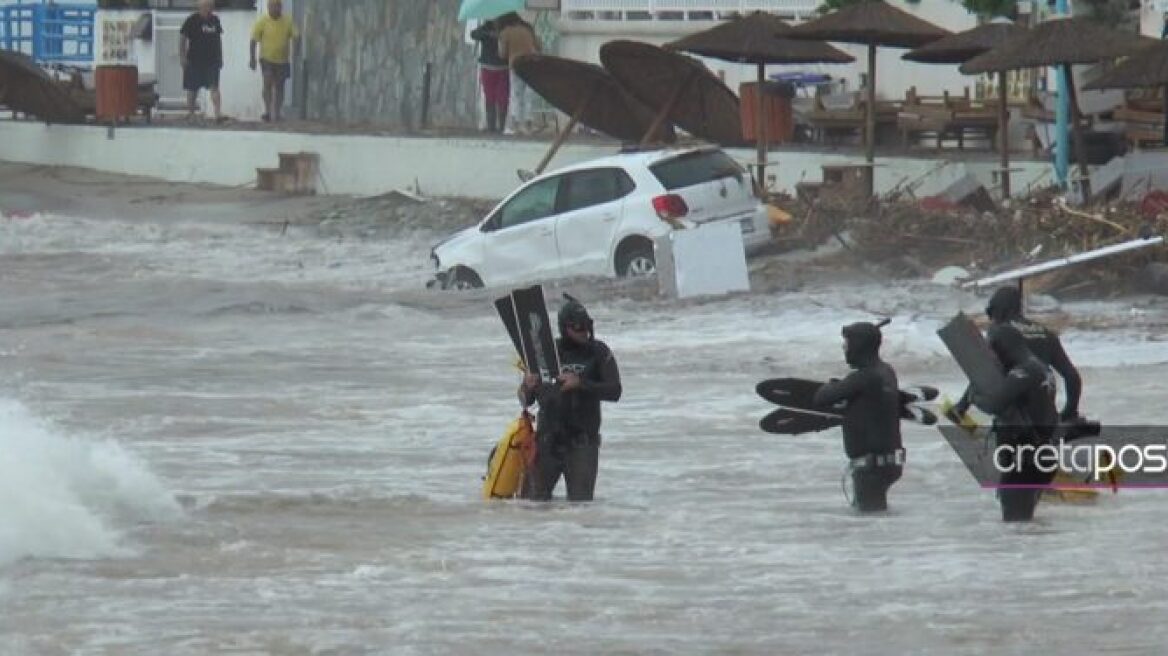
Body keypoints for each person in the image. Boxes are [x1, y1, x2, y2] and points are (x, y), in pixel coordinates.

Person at [519, 295, 621, 502]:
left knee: (580, 509)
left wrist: (581, 384)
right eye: (578, 327)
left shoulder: (599, 352)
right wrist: (526, 387)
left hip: (582, 445)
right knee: (530, 507)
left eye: (587, 326)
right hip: (547, 443)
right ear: (564, 328)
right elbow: (525, 400)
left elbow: (615, 391)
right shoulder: (546, 352)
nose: (585, 332)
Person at [950, 285, 1082, 424]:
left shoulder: (1000, 331)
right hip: (1043, 412)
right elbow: (1072, 377)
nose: (991, 318)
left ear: (1000, 309)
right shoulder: (1046, 334)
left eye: (991, 312)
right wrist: (1070, 411)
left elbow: (985, 370)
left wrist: (963, 405)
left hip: (1015, 413)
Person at [969, 324, 1059, 522]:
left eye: (991, 350)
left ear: (1002, 347)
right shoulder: (1042, 368)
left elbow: (994, 404)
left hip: (1024, 461)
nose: (991, 358)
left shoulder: (1023, 372)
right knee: (1025, 522)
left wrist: (974, 396)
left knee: (1015, 524)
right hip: (1043, 455)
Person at [812, 320, 904, 513]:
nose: (844, 348)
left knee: (870, 525)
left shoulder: (864, 377)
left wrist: (831, 384)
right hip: (889, 464)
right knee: (876, 518)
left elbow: (822, 398)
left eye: (847, 343)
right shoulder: (887, 372)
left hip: (871, 469)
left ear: (858, 346)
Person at [249, 0, 299, 122]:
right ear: (268, 7)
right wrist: (252, 59)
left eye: (276, 7)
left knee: (280, 86)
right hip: (266, 58)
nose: (274, 9)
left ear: (280, 8)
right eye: (271, 7)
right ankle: (267, 111)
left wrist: (295, 53)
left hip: (282, 60)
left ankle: (277, 112)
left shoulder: (288, 20)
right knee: (267, 83)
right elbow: (253, 40)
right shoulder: (262, 21)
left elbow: (296, 36)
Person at [497, 12, 541, 135]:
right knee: (528, 95)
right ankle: (528, 125)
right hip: (531, 64)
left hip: (516, 64)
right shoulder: (527, 29)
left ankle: (515, 125)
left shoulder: (505, 32)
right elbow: (538, 46)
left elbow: (502, 54)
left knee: (516, 95)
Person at [179, 0, 224, 122]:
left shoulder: (215, 20)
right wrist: (182, 56)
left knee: (214, 86)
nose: (209, 9)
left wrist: (220, 57)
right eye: (206, 7)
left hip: (212, 60)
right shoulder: (192, 20)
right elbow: (182, 38)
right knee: (192, 88)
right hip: (194, 60)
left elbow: (218, 39)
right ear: (200, 7)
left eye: (211, 7)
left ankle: (217, 114)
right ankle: (191, 113)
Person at [470, 19, 509, 134]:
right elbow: (474, 34)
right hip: (487, 67)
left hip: (503, 67)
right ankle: (491, 125)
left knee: (502, 97)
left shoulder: (506, 28)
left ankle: (501, 126)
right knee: (489, 96)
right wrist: (489, 35)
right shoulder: (485, 28)